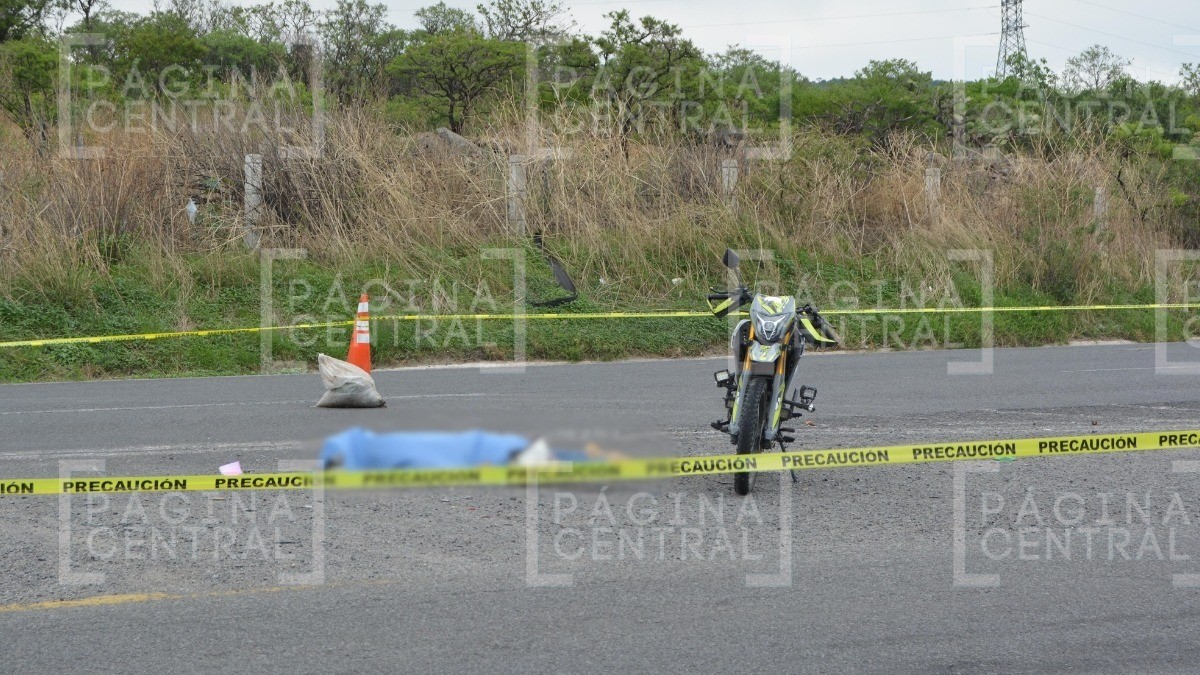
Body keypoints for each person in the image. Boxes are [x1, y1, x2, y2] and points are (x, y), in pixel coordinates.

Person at [320, 427, 623, 470]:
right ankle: (590, 459)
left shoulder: (376, 451)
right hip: (484, 448)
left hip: (484, 449)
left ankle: (591, 460)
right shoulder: (374, 449)